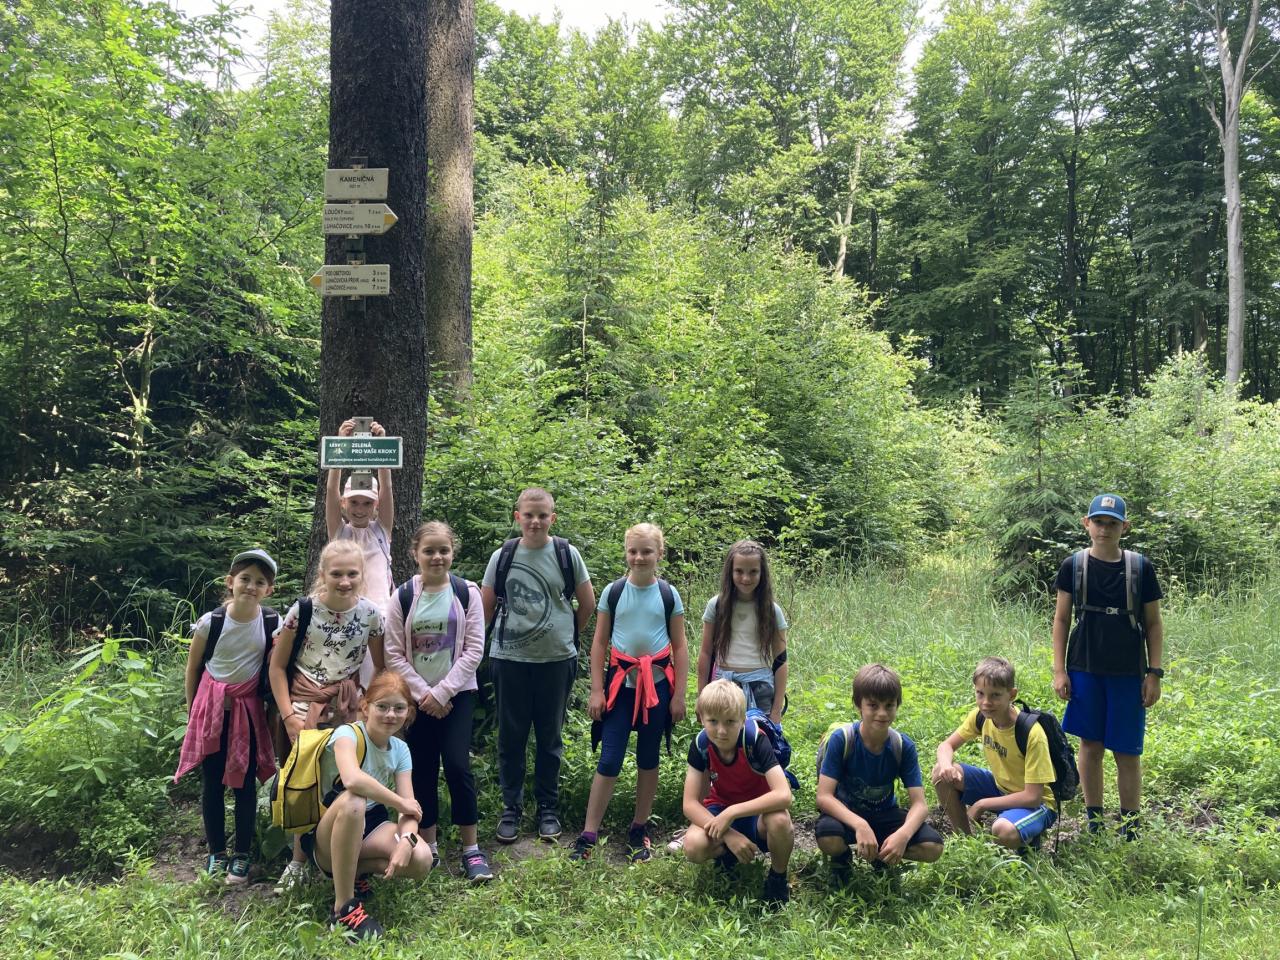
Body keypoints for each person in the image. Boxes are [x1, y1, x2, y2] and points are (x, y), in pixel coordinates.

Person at [269, 539, 385, 891]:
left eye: (352, 574)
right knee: (303, 781)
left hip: (347, 708)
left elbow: (379, 667)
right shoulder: (303, 611)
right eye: (337, 574)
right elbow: (277, 667)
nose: (345, 581)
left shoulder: (370, 614)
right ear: (323, 574)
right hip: (304, 705)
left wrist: (367, 708)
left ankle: (343, 859)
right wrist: (288, 716)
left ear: (362, 575)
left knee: (344, 780)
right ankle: (297, 861)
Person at [481, 487, 594, 844]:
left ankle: (548, 808)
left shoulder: (566, 554)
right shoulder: (503, 556)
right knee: (510, 738)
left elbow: (587, 602)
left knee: (549, 738)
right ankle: (510, 808)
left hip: (556, 660)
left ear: (552, 518)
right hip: (509, 660)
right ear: (518, 517)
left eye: (542, 515)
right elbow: (485, 607)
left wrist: (565, 635)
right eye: (528, 515)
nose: (535, 521)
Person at [571, 522, 688, 863]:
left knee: (648, 757)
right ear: (626, 552)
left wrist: (679, 695)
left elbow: (680, 646)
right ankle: (589, 832)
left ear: (659, 554)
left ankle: (639, 828)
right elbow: (599, 643)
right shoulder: (614, 592)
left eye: (646, 551)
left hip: (657, 688)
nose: (639, 557)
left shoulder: (668, 594)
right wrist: (597, 690)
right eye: (633, 551)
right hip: (620, 688)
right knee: (609, 758)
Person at [382, 521, 492, 882]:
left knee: (458, 766)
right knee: (422, 770)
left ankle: (471, 849)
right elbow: (393, 653)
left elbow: (474, 648)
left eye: (443, 550)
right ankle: (428, 847)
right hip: (415, 701)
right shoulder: (402, 596)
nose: (437, 557)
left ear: (452, 552)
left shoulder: (466, 592)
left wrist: (442, 693)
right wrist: (424, 694)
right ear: (415, 553)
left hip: (457, 696)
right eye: (429, 551)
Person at [1052, 493, 1164, 839]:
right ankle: (1095, 822)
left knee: (1127, 750)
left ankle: (1131, 827)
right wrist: (1059, 670)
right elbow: (1061, 619)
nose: (1104, 529)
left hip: (1128, 671)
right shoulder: (1073, 566)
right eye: (1098, 522)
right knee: (1090, 745)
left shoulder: (1140, 568)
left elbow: (1153, 623)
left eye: (1112, 523)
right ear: (1086, 524)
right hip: (1084, 667)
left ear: (1124, 527)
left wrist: (1154, 673)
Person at [302, 670, 434, 941]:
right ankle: (343, 909)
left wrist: (407, 840)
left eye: (399, 708)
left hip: (371, 824)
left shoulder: (400, 749)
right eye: (382, 706)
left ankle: (355, 872)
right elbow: (352, 779)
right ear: (365, 707)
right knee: (355, 799)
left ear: (408, 713)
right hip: (330, 828)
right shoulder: (347, 734)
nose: (390, 714)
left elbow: (409, 811)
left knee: (422, 859)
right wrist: (399, 801)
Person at [174, 548, 280, 884]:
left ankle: (242, 854)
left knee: (244, 785)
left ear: (269, 589)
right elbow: (193, 668)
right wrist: (193, 711)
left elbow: (276, 666)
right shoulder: (212, 622)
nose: (251, 586)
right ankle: (217, 852)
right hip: (212, 714)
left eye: (259, 582)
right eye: (245, 578)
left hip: (248, 716)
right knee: (213, 783)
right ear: (230, 581)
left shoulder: (272, 623)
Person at [814, 664, 943, 885]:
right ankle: (842, 859)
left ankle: (883, 856)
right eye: (873, 705)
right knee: (828, 837)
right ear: (858, 705)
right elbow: (824, 797)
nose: (882, 713)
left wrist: (903, 835)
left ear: (897, 705)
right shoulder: (842, 740)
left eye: (889, 705)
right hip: (847, 813)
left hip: (884, 813)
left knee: (932, 847)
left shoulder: (902, 746)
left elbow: (920, 805)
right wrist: (860, 825)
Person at [682, 679, 793, 908]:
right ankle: (727, 856)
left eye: (730, 721)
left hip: (758, 813)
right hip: (720, 808)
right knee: (693, 846)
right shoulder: (701, 744)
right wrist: (727, 834)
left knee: (780, 821)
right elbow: (690, 804)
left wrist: (732, 812)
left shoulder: (754, 739)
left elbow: (784, 795)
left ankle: (777, 878)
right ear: (701, 718)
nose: (721, 731)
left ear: (742, 720)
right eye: (713, 721)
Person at [931, 657, 1057, 851]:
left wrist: (982, 804)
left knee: (1002, 830)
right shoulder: (980, 717)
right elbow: (945, 746)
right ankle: (966, 844)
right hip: (1000, 788)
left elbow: (1033, 796)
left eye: (995, 695)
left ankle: (1027, 842)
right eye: (980, 694)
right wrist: (947, 766)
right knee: (940, 773)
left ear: (1012, 694)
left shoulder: (1031, 733)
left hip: (1037, 804)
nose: (986, 703)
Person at [325, 417, 395, 675]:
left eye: (367, 503)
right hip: (346, 616)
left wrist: (382, 446)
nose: (360, 509)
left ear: (375, 506)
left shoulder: (381, 531)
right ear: (344, 503)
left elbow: (386, 487)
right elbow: (331, 489)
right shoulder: (340, 533)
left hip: (382, 617)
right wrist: (340, 446)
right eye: (354, 502)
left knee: (378, 680)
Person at [697, 540, 788, 723]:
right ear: (730, 572)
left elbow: (780, 661)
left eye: (753, 572)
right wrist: (701, 697)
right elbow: (706, 653)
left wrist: (776, 709)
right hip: (723, 686)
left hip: (760, 687)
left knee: (759, 739)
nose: (746, 578)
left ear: (762, 573)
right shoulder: (716, 605)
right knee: (721, 737)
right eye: (739, 571)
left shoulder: (772, 611)